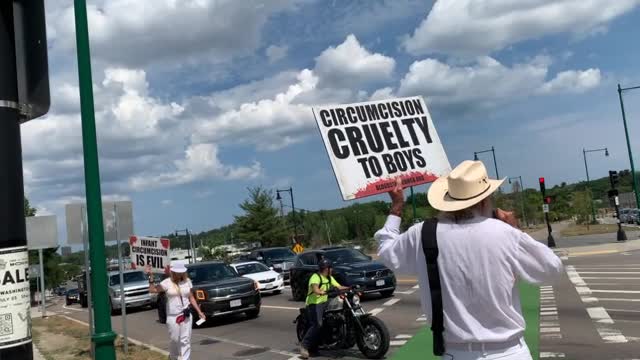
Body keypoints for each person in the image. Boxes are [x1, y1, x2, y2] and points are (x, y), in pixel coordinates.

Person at [375, 160, 563, 360]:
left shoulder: (423, 233)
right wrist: (515, 230)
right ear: (484, 201)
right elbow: (551, 269)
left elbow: (387, 253)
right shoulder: (505, 234)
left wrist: (396, 208)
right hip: (509, 352)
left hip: (456, 353)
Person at [146, 263, 206, 360]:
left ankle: (186, 358)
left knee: (185, 340)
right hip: (173, 316)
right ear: (173, 272)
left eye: (182, 272)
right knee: (174, 339)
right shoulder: (167, 282)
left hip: (186, 314)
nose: (180, 274)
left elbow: (191, 297)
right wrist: (150, 276)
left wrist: (199, 312)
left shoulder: (187, 281)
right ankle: (173, 357)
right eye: (178, 272)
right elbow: (152, 290)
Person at [300, 258, 349, 359]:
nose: (332, 270)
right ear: (326, 268)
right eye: (331, 268)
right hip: (314, 303)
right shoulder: (315, 277)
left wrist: (350, 288)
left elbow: (339, 287)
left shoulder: (329, 278)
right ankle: (304, 346)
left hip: (325, 301)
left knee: (340, 310)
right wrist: (320, 292)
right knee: (318, 324)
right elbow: (315, 289)